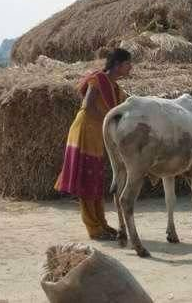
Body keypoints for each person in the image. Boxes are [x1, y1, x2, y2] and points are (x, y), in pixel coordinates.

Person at [54, 48, 132, 240]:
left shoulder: (116, 89)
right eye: (128, 64)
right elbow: (87, 106)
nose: (131, 68)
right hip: (85, 130)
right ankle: (93, 229)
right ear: (118, 65)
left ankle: (102, 224)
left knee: (96, 179)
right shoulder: (98, 80)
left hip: (98, 134)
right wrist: (108, 119)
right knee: (87, 180)